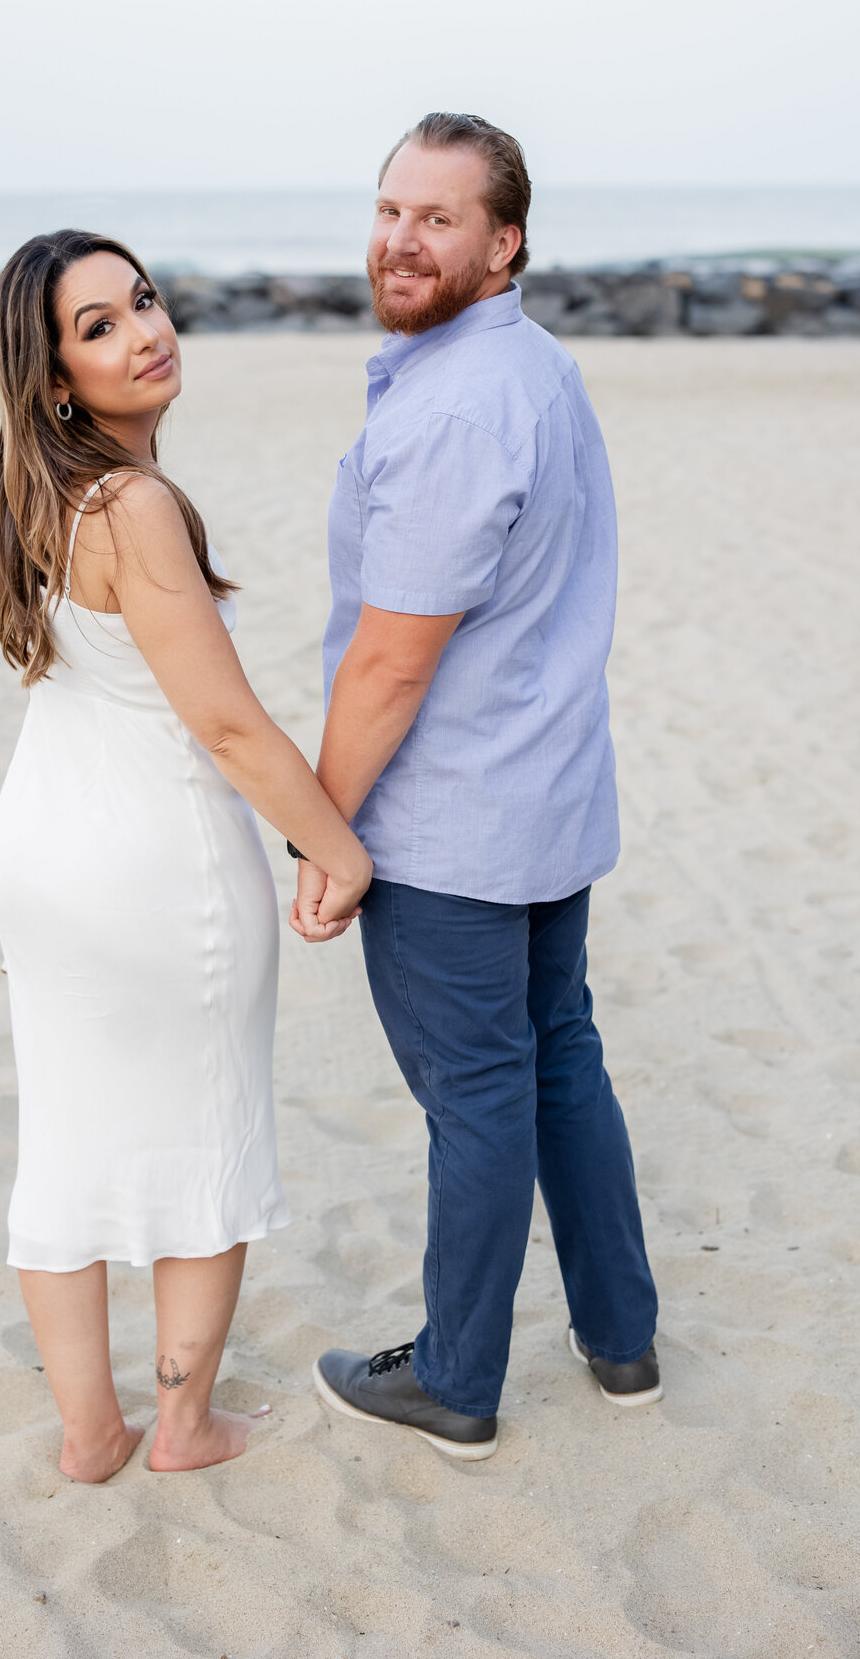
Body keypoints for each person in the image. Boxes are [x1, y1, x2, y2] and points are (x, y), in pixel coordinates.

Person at [0, 230, 371, 1482]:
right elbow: (228, 723)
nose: (144, 331)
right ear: (54, 379)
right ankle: (182, 1427)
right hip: (154, 867)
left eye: (141, 301)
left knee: (67, 1143)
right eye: (98, 326)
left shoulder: (40, 493)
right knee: (209, 1128)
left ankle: (90, 1435)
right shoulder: (136, 503)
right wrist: (335, 847)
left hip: (44, 856)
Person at [293, 114, 660, 1461]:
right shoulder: (533, 369)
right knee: (560, 1057)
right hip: (546, 797)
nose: (401, 239)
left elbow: (391, 662)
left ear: (504, 245)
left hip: (455, 819)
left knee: (482, 1093)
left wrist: (319, 829)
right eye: (390, 209)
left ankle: (455, 1379)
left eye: (438, 219)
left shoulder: (455, 403)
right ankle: (621, 1338)